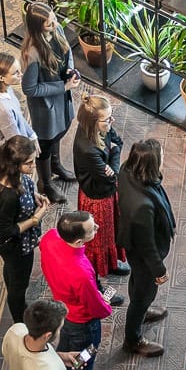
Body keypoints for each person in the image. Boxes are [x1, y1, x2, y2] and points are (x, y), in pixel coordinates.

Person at [38, 211, 120, 370]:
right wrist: (106, 306)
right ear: (78, 241)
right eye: (93, 228)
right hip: (83, 325)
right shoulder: (80, 273)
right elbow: (97, 308)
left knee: (64, 349)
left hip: (62, 312)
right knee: (82, 361)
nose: (98, 228)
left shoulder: (50, 237)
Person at [19, 0, 79, 202]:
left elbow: (67, 52)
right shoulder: (32, 52)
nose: (54, 24)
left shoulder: (57, 28)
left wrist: (70, 69)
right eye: (49, 23)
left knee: (58, 133)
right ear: (37, 27)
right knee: (44, 143)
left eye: (53, 18)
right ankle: (45, 183)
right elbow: (29, 88)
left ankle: (56, 165)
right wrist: (62, 87)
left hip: (62, 98)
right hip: (46, 107)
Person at [71, 94, 129, 280]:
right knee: (99, 238)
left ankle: (111, 262)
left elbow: (117, 141)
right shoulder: (88, 149)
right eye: (107, 119)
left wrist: (113, 157)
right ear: (93, 122)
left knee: (111, 231)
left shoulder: (100, 128)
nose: (111, 122)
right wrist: (114, 154)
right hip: (97, 198)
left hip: (105, 191)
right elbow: (111, 177)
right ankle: (97, 273)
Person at [0, 138, 46, 319]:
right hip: (15, 246)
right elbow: (4, 231)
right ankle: (19, 318)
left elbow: (23, 186)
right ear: (15, 165)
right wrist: (36, 218)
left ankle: (13, 288)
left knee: (13, 272)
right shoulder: (8, 196)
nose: (34, 166)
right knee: (19, 285)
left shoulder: (9, 174)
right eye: (29, 163)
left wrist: (33, 195)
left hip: (18, 244)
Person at [0, 47, 37, 164]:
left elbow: (19, 118)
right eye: (16, 73)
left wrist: (32, 136)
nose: (21, 74)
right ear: (1, 78)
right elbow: (16, 141)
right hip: (5, 158)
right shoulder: (3, 110)